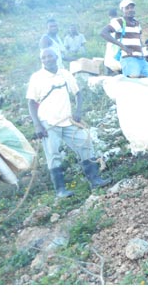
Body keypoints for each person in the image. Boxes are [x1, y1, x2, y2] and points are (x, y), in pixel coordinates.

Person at [27, 47, 109, 197]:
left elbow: (77, 93)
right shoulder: (36, 77)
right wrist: (37, 125)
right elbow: (31, 103)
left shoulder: (65, 74)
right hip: (48, 123)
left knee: (85, 143)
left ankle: (95, 180)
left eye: (50, 56)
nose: (47, 59)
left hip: (67, 120)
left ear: (56, 57)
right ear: (41, 60)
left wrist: (78, 112)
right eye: (44, 58)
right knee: (53, 154)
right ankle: (60, 190)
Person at [100, 0, 148, 78]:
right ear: (122, 10)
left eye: (132, 8)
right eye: (127, 8)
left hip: (141, 59)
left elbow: (139, 40)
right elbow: (103, 33)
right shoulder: (120, 22)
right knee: (133, 80)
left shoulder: (137, 23)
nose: (130, 10)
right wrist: (122, 46)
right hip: (129, 58)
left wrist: (143, 53)